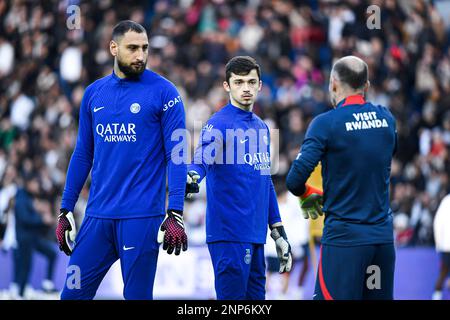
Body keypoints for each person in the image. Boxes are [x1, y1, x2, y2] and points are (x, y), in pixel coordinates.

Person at [56, 20, 188, 300]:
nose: (140, 55)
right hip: (97, 218)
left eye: (145, 48)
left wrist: (175, 211)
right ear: (113, 48)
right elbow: (82, 154)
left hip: (141, 219)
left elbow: (176, 155)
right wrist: (66, 208)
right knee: (71, 295)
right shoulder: (93, 94)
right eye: (132, 48)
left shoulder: (166, 94)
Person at [286, 55, 397, 300]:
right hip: (382, 240)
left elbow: (294, 180)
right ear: (366, 86)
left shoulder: (325, 124)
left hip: (344, 240)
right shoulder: (387, 119)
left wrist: (308, 193)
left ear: (333, 84)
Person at [186, 56, 292, 300]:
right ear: (227, 86)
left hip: (256, 236)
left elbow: (265, 182)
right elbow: (204, 155)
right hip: (229, 235)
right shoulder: (218, 124)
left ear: (260, 86)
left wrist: (278, 230)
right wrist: (193, 173)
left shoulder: (261, 128)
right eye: (239, 82)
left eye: (251, 82)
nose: (246, 88)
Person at [14, 175, 57, 299]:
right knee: (25, 265)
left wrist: (43, 215)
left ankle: (47, 284)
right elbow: (25, 218)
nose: (38, 186)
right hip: (25, 238)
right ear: (29, 183)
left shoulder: (31, 198)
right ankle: (20, 293)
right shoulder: (21, 197)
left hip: (33, 237)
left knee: (51, 254)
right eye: (36, 183)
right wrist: (42, 219)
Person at [432, 193, 450, 300]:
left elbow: (437, 222)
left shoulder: (445, 200)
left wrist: (439, 244)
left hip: (445, 246)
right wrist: (439, 243)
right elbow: (438, 222)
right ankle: (436, 296)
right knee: (443, 272)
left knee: (443, 273)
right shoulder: (446, 201)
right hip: (446, 246)